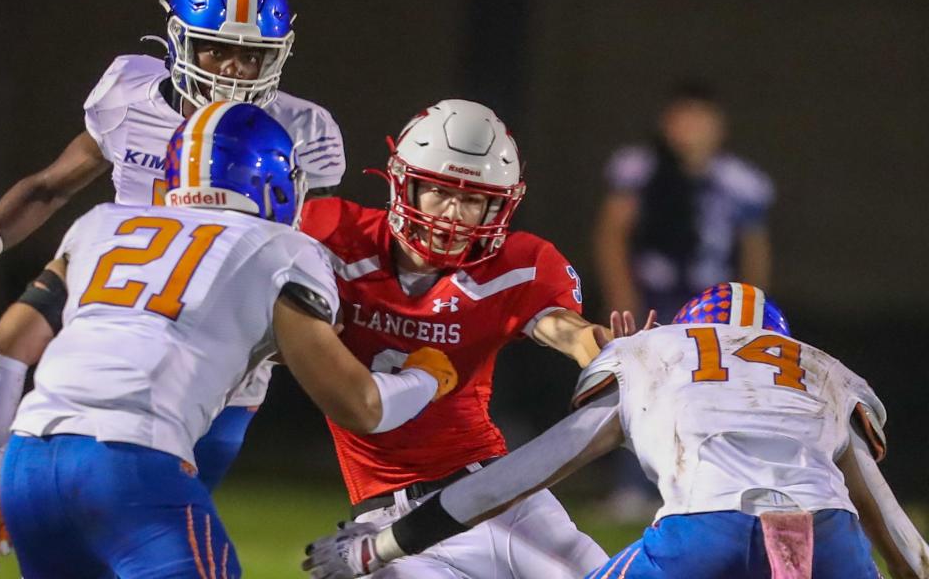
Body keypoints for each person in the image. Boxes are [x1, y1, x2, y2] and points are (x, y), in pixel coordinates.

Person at [0, 0, 346, 572]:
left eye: (250, 56)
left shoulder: (304, 130)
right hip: (120, 333)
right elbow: (46, 188)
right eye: (215, 50)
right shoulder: (130, 95)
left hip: (219, 365)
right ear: (177, 43)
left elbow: (313, 251)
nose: (232, 70)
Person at [0, 101, 456, 579]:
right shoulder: (282, 249)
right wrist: (426, 377)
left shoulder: (100, 223)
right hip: (128, 463)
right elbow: (360, 405)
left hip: (26, 466)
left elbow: (3, 349)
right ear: (274, 182)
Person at [304, 282, 929, 579]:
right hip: (825, 542)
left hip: (701, 536)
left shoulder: (650, 355)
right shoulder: (823, 373)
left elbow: (519, 475)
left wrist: (379, 547)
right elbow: (901, 542)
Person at [298, 98, 616, 578]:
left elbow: (563, 328)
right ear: (405, 184)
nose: (454, 215)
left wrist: (610, 351)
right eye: (441, 193)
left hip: (500, 496)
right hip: (387, 520)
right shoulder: (331, 235)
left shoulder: (514, 264)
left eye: (473, 199)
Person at [593, 82, 774, 323]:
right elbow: (611, 236)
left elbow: (755, 253)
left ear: (720, 126)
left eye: (700, 119)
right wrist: (621, 297)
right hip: (650, 295)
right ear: (665, 122)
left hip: (712, 302)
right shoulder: (639, 169)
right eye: (684, 117)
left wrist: (750, 312)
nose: (692, 128)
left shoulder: (742, 183)